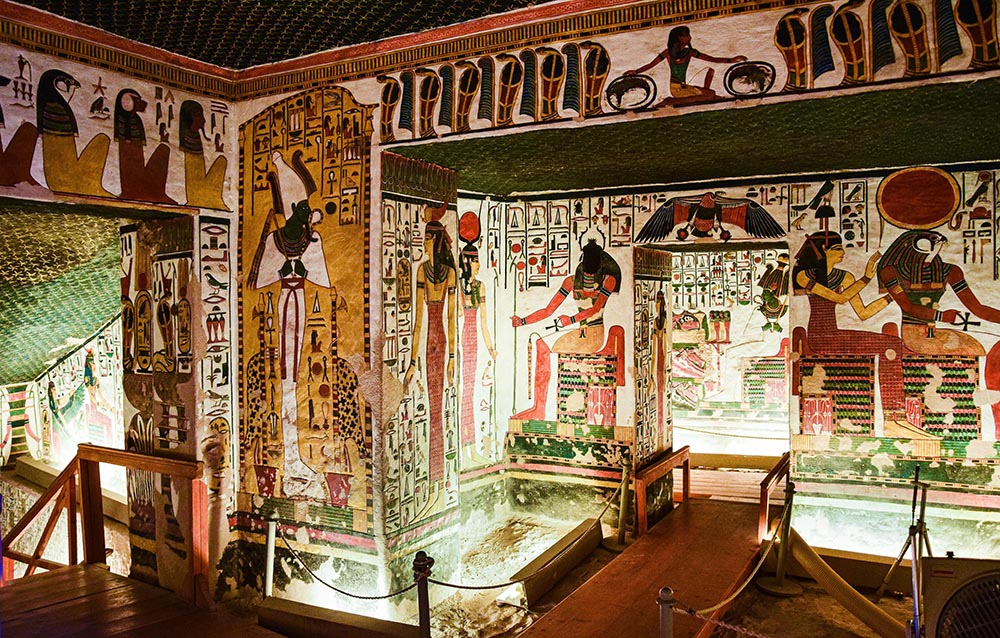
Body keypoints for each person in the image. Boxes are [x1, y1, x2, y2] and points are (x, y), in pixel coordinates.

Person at [878, 229, 1000, 437]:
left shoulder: (949, 271)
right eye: (932, 242)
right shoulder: (891, 272)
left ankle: (968, 407)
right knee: (966, 349)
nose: (937, 249)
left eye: (940, 244)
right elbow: (907, 306)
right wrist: (941, 315)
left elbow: (977, 308)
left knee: (975, 346)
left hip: (934, 331)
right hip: (913, 334)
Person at [793, 232, 911, 431]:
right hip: (820, 337)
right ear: (824, 250)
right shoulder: (804, 275)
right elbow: (839, 298)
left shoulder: (845, 277)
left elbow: (863, 313)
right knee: (889, 344)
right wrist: (866, 278)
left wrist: (893, 297)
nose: (843, 253)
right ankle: (893, 419)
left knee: (892, 343)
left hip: (835, 334)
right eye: (838, 249)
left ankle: (895, 417)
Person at [511, 233, 623, 421]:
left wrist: (570, 320)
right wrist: (522, 321)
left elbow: (595, 308)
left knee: (543, 346)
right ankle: (538, 408)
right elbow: (548, 310)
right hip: (581, 332)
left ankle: (539, 409)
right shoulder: (571, 281)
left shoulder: (608, 280)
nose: (588, 275)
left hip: (594, 334)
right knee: (540, 344)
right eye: (586, 271)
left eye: (592, 271)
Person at [404, 201, 457, 483]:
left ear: (435, 241)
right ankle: (435, 476)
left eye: (426, 238)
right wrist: (413, 362)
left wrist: (452, 358)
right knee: (431, 402)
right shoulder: (422, 271)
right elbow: (417, 321)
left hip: (439, 340)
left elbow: (451, 319)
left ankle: (438, 475)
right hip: (431, 342)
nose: (423, 243)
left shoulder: (448, 273)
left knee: (438, 403)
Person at [627, 26, 747, 106]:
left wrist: (731, 60)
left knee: (710, 94)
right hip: (676, 88)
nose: (690, 37)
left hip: (684, 86)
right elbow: (651, 65)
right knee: (710, 95)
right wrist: (636, 71)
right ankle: (669, 101)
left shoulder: (690, 52)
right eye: (687, 35)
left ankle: (673, 101)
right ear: (680, 38)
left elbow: (712, 59)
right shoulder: (668, 53)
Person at [457, 238, 497, 462]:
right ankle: (466, 451)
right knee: (464, 394)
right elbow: (455, 316)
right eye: (475, 261)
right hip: (461, 341)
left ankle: (470, 450)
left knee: (469, 394)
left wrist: (491, 349)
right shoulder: (459, 287)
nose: (479, 265)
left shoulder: (479, 286)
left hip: (472, 343)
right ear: (467, 263)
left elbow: (483, 322)